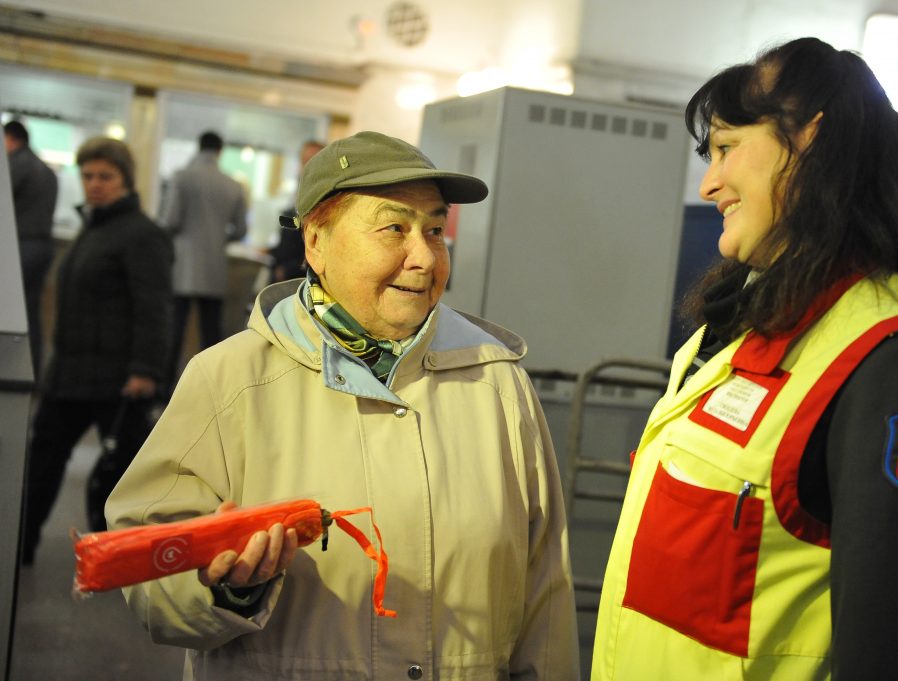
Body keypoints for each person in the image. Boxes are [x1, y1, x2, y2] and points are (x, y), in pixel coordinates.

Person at [591, 37, 898, 681]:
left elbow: (892, 654)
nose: (708, 183)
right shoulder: (738, 323)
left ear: (812, 142)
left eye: (726, 148)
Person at [106, 131, 580, 680]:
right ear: (316, 243)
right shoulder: (231, 379)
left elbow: (545, 593)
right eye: (394, 229)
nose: (424, 258)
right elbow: (144, 566)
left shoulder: (497, 382)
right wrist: (227, 591)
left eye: (434, 229)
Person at [20, 137, 172, 564]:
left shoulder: (142, 235)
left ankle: (118, 559)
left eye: (106, 176)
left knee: (122, 476)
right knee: (42, 459)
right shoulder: (93, 228)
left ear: (125, 180)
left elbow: (154, 306)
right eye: (88, 176)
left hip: (117, 379)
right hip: (69, 373)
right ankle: (19, 545)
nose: (95, 184)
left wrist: (145, 369)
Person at [161, 130, 248, 382]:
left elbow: (170, 220)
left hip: (182, 265)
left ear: (198, 147)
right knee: (211, 334)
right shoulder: (233, 185)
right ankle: (212, 386)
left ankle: (165, 389)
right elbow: (241, 230)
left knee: (174, 331)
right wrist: (218, 238)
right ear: (220, 151)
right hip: (214, 267)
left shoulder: (181, 177)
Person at [4, 120, 58, 380]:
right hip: (43, 247)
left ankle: (9, 372)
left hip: (22, 245)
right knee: (31, 313)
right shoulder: (47, 170)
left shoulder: (16, 164)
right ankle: (31, 370)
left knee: (11, 313)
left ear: (11, 139)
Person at [266, 138, 325, 283]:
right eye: (304, 161)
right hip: (282, 275)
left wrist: (287, 270)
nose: (307, 167)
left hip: (301, 278)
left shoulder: (326, 198)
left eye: (312, 161)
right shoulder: (299, 191)